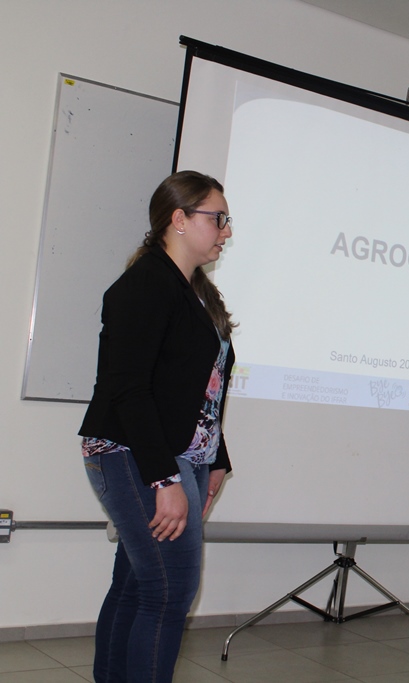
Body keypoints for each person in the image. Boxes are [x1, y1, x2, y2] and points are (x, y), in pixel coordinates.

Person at [79, 171, 236, 683]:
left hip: (177, 456)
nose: (226, 231)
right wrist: (163, 479)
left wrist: (216, 458)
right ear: (179, 219)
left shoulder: (195, 293)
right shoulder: (145, 284)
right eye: (218, 218)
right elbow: (129, 389)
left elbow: (199, 389)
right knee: (169, 592)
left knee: (137, 587)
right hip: (136, 453)